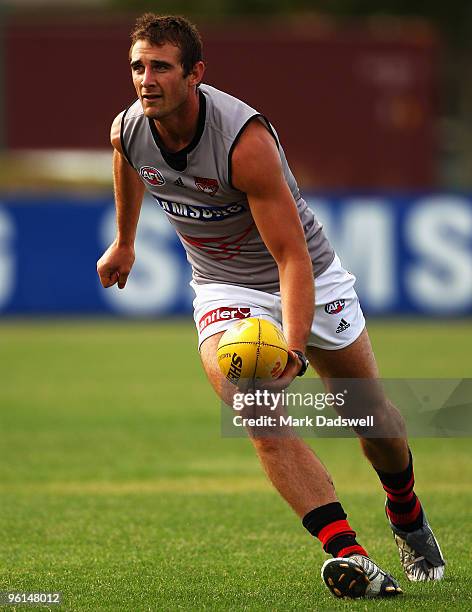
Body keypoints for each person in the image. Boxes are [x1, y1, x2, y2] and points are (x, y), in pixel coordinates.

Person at [97, 13, 445, 599]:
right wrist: (126, 240)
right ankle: (352, 556)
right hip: (223, 288)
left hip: (307, 277)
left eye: (161, 66)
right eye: (138, 66)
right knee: (256, 415)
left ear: (195, 74)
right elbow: (129, 165)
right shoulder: (128, 128)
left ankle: (406, 512)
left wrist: (293, 342)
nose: (146, 79)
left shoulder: (244, 141)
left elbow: (292, 258)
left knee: (368, 415)